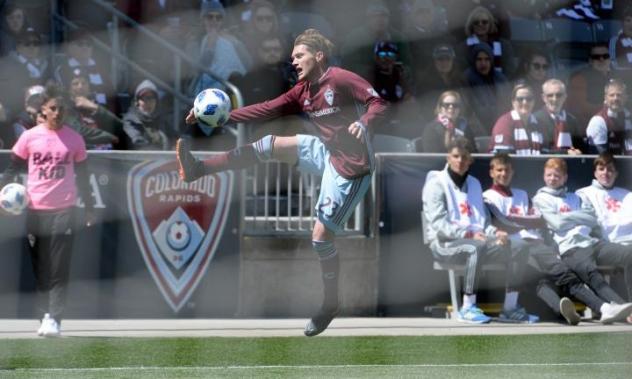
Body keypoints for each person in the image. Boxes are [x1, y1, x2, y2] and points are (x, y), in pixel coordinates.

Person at [176, 29, 388, 336]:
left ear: (319, 56)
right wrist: (223, 117)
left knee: (320, 239)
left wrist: (363, 123)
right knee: (268, 144)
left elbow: (378, 103)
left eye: (299, 55)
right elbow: (266, 109)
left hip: (351, 172)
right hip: (327, 153)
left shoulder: (341, 79)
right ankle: (198, 169)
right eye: (291, 58)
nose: (294, 62)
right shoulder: (301, 91)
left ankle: (330, 305)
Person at [0, 83, 94, 337]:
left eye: (62, 109)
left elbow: (84, 177)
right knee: (41, 266)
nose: (58, 113)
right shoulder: (29, 138)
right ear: (43, 110)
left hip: (64, 210)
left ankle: (55, 318)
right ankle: (45, 315)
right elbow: (12, 169)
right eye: (53, 108)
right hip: (35, 210)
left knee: (59, 266)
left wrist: (89, 208)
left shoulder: (75, 139)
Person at [483, 153, 618, 325]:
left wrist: (519, 220)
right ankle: (588, 308)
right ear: (492, 172)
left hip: (537, 244)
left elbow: (539, 221)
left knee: (556, 276)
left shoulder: (522, 194)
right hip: (513, 246)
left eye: (507, 170)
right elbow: (503, 222)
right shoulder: (487, 196)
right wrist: (526, 222)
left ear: (512, 172)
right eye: (499, 170)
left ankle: (590, 309)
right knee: (543, 278)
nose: (504, 173)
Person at [422, 138, 538, 324]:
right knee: (474, 248)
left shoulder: (475, 183)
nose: (460, 161)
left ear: (470, 161)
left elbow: (482, 223)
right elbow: (438, 225)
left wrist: (495, 233)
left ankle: (509, 308)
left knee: (519, 246)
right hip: (444, 245)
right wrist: (469, 235)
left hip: (478, 243)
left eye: (464, 157)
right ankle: (467, 307)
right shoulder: (436, 183)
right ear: (448, 158)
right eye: (455, 156)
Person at [532, 157, 632, 324]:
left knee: (629, 254)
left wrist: (566, 217)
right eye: (548, 175)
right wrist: (578, 218)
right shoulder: (540, 198)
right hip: (571, 249)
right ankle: (624, 310)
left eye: (557, 175)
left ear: (565, 177)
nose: (552, 179)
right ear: (544, 176)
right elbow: (556, 223)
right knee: (592, 274)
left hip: (593, 242)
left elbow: (592, 219)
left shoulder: (575, 196)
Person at [576, 152, 632, 301]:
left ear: (616, 173)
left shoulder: (627, 195)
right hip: (603, 247)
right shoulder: (584, 194)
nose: (606, 173)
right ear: (595, 172)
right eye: (601, 169)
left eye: (610, 169)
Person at [186, 0, 249, 95]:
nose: (214, 21)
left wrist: (235, 42)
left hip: (233, 85)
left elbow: (248, 63)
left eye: (218, 18)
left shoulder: (230, 39)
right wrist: (210, 46)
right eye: (209, 17)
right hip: (206, 90)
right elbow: (197, 71)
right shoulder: (194, 42)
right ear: (203, 19)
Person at [341, 0, 412, 81]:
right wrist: (374, 71)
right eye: (375, 16)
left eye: (383, 16)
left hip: (392, 83)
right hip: (364, 84)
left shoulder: (398, 38)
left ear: (389, 18)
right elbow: (347, 65)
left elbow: (408, 64)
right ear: (368, 19)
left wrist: (399, 71)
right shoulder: (355, 38)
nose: (380, 20)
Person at [61, 67, 123, 150]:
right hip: (83, 154)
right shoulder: (65, 109)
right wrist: (110, 138)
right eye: (75, 84)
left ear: (89, 87)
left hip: (107, 154)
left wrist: (94, 107)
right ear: (69, 88)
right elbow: (79, 131)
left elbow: (118, 126)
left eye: (84, 83)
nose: (80, 87)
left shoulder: (96, 106)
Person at [54, 27, 113, 112]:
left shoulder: (101, 69)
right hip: (76, 114)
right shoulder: (62, 70)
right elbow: (62, 96)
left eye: (88, 44)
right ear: (70, 47)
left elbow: (111, 95)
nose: (85, 47)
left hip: (103, 113)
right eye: (80, 44)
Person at [461, 43, 510, 136]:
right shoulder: (466, 79)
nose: (483, 63)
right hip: (477, 133)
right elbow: (468, 112)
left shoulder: (501, 79)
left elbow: (507, 106)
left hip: (500, 129)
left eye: (487, 59)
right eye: (479, 59)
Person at [567, 43, 617, 128]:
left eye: (605, 56)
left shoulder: (617, 76)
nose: (601, 60)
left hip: (617, 122)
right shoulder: (579, 78)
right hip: (591, 124)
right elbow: (579, 107)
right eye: (596, 57)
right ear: (590, 61)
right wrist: (609, 108)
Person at [458, 5, 516, 77]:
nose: (480, 24)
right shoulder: (463, 48)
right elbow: (463, 72)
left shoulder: (504, 45)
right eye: (476, 22)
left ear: (490, 24)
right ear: (471, 25)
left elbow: (510, 71)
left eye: (484, 22)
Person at [489, 83, 544, 155]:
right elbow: (503, 157)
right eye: (520, 99)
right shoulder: (504, 122)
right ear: (513, 102)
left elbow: (544, 153)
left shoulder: (539, 124)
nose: (525, 102)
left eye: (529, 99)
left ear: (533, 102)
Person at [533, 79, 584, 154]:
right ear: (543, 98)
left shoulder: (572, 121)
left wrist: (578, 151)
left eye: (559, 95)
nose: (555, 99)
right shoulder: (535, 120)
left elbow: (580, 147)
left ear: (565, 97)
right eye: (550, 95)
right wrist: (565, 153)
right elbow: (540, 150)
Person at [585, 78, 632, 155]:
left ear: (626, 98)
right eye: (612, 95)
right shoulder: (598, 121)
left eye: (619, 95)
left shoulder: (629, 117)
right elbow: (600, 155)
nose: (616, 98)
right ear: (605, 98)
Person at [122, 79, 173, 150]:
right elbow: (138, 142)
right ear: (137, 102)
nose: (148, 103)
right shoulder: (130, 121)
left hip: (164, 159)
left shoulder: (161, 119)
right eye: (144, 99)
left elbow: (176, 138)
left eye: (151, 98)